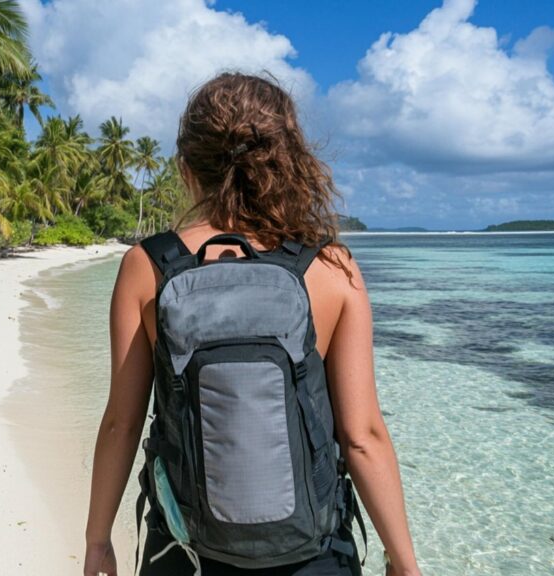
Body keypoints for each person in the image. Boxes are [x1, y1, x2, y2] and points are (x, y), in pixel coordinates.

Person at [83, 72, 421, 576]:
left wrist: (97, 542)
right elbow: (362, 436)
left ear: (186, 168)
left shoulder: (147, 265)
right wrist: (404, 561)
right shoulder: (331, 268)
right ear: (289, 161)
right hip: (313, 556)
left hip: (183, 553)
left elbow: (122, 422)